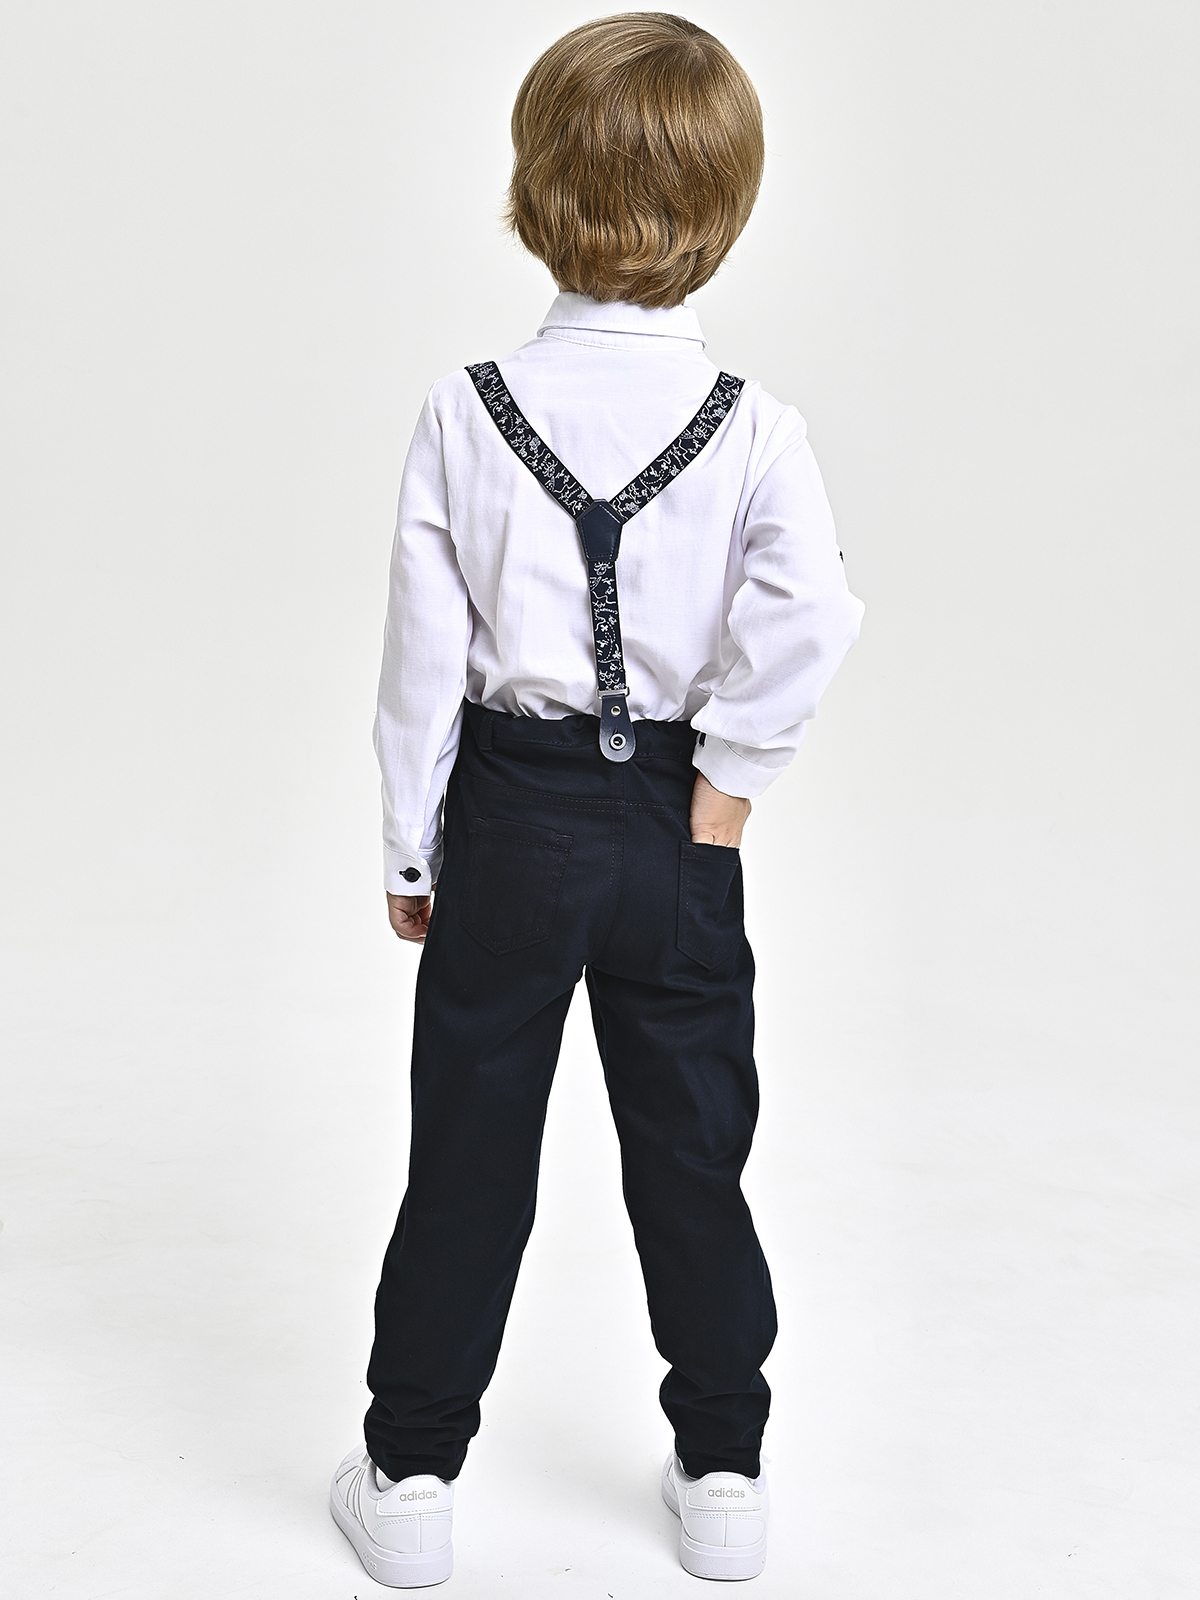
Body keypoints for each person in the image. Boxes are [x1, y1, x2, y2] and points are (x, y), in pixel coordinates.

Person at [330, 12, 864, 1587]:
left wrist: (412, 842)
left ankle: (411, 1476)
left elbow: (423, 657)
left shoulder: (467, 407)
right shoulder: (757, 426)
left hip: (510, 815)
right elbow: (814, 614)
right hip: (672, 829)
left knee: (470, 1151)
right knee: (693, 1152)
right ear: (727, 207)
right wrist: (729, 790)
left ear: (533, 189)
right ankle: (725, 1469)